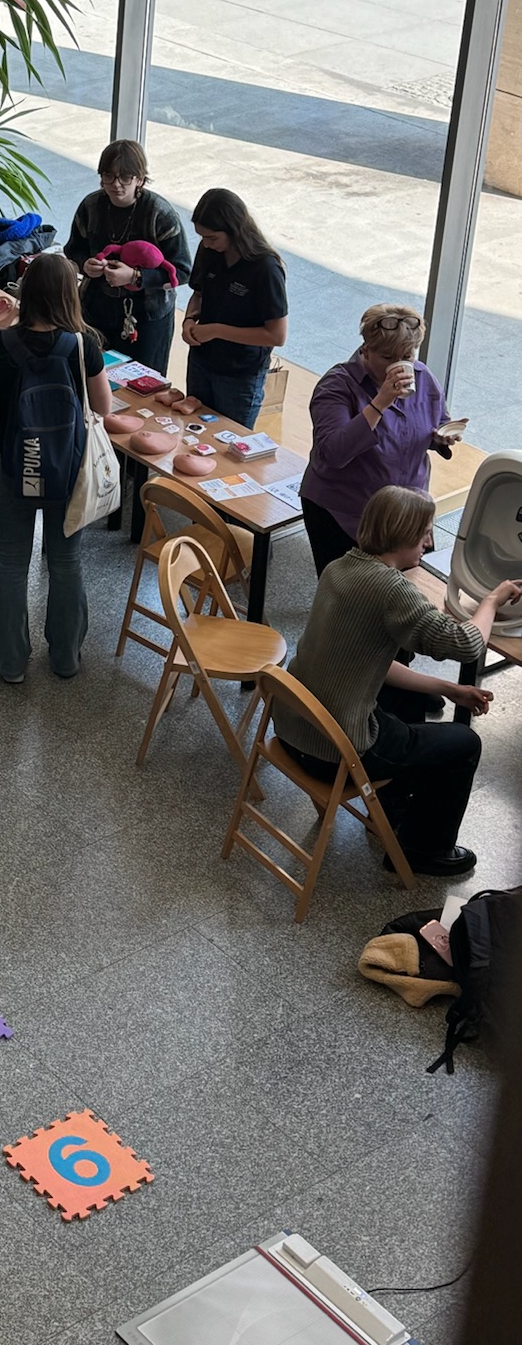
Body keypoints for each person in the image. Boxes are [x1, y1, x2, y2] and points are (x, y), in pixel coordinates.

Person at [275, 485, 522, 879]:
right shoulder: (392, 589)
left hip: (293, 730)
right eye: (424, 531)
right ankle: (424, 851)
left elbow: (372, 662)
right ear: (401, 533)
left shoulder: (340, 567)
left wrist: (447, 688)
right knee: (463, 743)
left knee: (406, 718)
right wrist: (491, 601)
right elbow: (467, 643)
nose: (429, 540)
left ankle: (394, 810)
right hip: (333, 752)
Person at [0, 251, 113, 684]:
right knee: (66, 562)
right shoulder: (84, 344)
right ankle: (65, 659)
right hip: (67, 470)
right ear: (71, 295)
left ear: (25, 293)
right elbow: (102, 407)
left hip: (12, 467)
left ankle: (12, 665)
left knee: (12, 563)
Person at [301, 304, 461, 575]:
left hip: (407, 511)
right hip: (346, 512)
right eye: (387, 357)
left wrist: (441, 437)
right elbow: (333, 453)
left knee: (413, 590)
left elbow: (436, 421)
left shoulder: (423, 377)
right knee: (351, 600)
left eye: (407, 356)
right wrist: (381, 401)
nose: (399, 365)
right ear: (366, 349)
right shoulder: (337, 385)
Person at [63, 138, 192, 375]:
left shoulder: (159, 213)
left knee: (141, 383)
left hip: (148, 316)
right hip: (97, 308)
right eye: (108, 176)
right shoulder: (91, 205)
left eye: (126, 178)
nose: (116, 185)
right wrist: (85, 265)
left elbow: (182, 271)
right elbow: (73, 249)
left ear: (140, 180)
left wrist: (135, 276)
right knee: (92, 375)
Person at [181, 188, 288, 427]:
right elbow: (198, 294)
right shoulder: (209, 251)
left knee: (228, 443)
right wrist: (189, 320)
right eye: (202, 238)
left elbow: (276, 335)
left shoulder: (265, 269)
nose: (206, 245)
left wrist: (217, 330)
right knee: (194, 434)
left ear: (234, 229)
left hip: (240, 374)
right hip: (201, 361)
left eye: (212, 238)